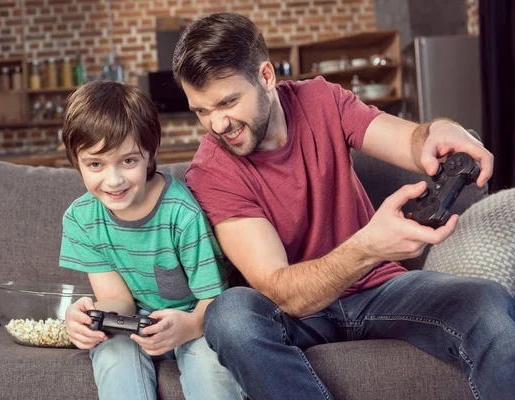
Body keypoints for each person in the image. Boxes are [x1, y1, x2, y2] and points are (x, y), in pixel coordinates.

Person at [172, 12, 515, 400]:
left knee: (489, 303)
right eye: (202, 111)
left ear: (266, 76)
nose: (217, 124)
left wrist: (438, 131)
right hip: (297, 316)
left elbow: (410, 140)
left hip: (378, 291)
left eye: (228, 102)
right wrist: (369, 246)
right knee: (230, 315)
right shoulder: (211, 171)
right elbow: (284, 293)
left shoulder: (319, 99)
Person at [58, 81, 242, 400]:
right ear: (76, 161)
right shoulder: (80, 219)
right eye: (95, 164)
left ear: (150, 152)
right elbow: (119, 300)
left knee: (210, 367)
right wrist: (89, 316)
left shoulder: (181, 213)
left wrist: (188, 326)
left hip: (194, 320)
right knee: (111, 353)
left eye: (128, 161)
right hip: (134, 325)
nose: (113, 180)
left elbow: (215, 301)